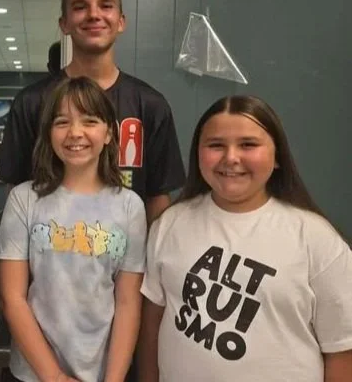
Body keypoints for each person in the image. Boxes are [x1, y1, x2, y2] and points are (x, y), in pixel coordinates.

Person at [138, 95, 352, 382]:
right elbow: (151, 328)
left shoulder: (317, 239)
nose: (231, 158)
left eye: (248, 145)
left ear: (277, 156)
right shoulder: (170, 223)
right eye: (216, 145)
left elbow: (341, 349)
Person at [0, 0, 185, 224]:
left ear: (121, 21)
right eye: (80, 7)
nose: (94, 15)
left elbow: (157, 197)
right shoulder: (31, 102)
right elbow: (16, 192)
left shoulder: (151, 105)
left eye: (106, 6)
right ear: (64, 24)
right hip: (48, 244)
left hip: (127, 246)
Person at [0, 77, 147, 382]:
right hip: (34, 373)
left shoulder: (130, 206)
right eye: (62, 122)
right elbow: (12, 298)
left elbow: (128, 303)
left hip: (103, 372)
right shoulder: (25, 199)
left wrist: (114, 379)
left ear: (109, 133)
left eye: (89, 121)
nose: (75, 132)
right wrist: (55, 377)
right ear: (49, 133)